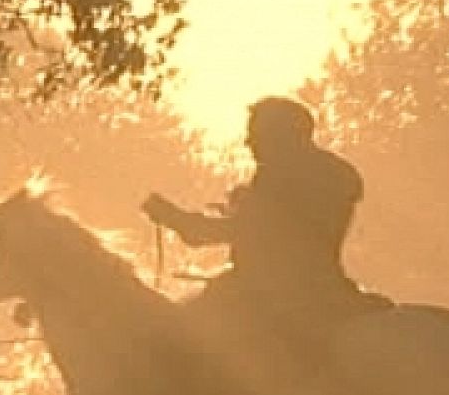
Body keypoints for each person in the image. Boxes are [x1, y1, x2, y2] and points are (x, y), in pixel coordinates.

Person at [142, 97, 384, 363]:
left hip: (270, 299)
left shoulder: (282, 176)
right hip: (327, 290)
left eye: (255, 134)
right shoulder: (326, 175)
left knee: (180, 345)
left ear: (279, 137)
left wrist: (175, 218)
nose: (249, 143)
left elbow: (244, 232)